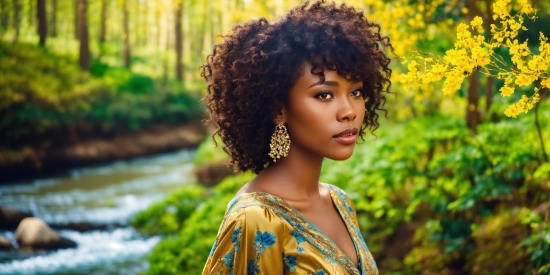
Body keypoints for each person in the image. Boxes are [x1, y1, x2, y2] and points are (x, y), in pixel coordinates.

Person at [201, 0, 392, 274]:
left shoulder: (340, 201)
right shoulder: (255, 218)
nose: (349, 111)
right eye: (324, 94)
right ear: (278, 109)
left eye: (356, 92)